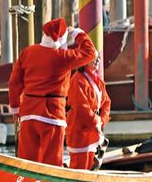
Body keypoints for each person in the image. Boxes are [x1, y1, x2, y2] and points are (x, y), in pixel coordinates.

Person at [8, 19, 98, 167]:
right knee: (51, 162)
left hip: (28, 112)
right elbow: (90, 53)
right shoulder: (62, 57)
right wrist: (77, 33)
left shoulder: (28, 52)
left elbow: (14, 82)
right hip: (52, 115)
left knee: (26, 162)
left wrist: (15, 107)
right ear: (61, 39)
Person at [63, 37, 112, 170]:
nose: (97, 60)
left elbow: (106, 102)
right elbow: (81, 107)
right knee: (80, 165)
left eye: (98, 57)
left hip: (94, 128)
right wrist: (96, 122)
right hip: (80, 129)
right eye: (94, 57)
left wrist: (101, 121)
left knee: (92, 164)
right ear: (85, 61)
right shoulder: (77, 80)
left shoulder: (98, 80)